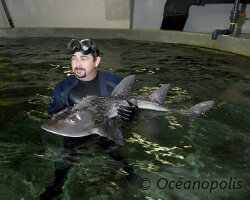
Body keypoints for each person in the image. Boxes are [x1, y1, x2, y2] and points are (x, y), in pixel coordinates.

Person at [40, 39, 139, 199]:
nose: (77, 64)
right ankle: (57, 185)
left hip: (105, 128)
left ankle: (130, 173)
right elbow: (53, 119)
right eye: (74, 58)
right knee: (65, 157)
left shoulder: (112, 82)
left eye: (83, 58)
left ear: (97, 61)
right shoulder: (61, 88)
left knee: (118, 153)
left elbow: (130, 107)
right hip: (75, 132)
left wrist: (133, 115)